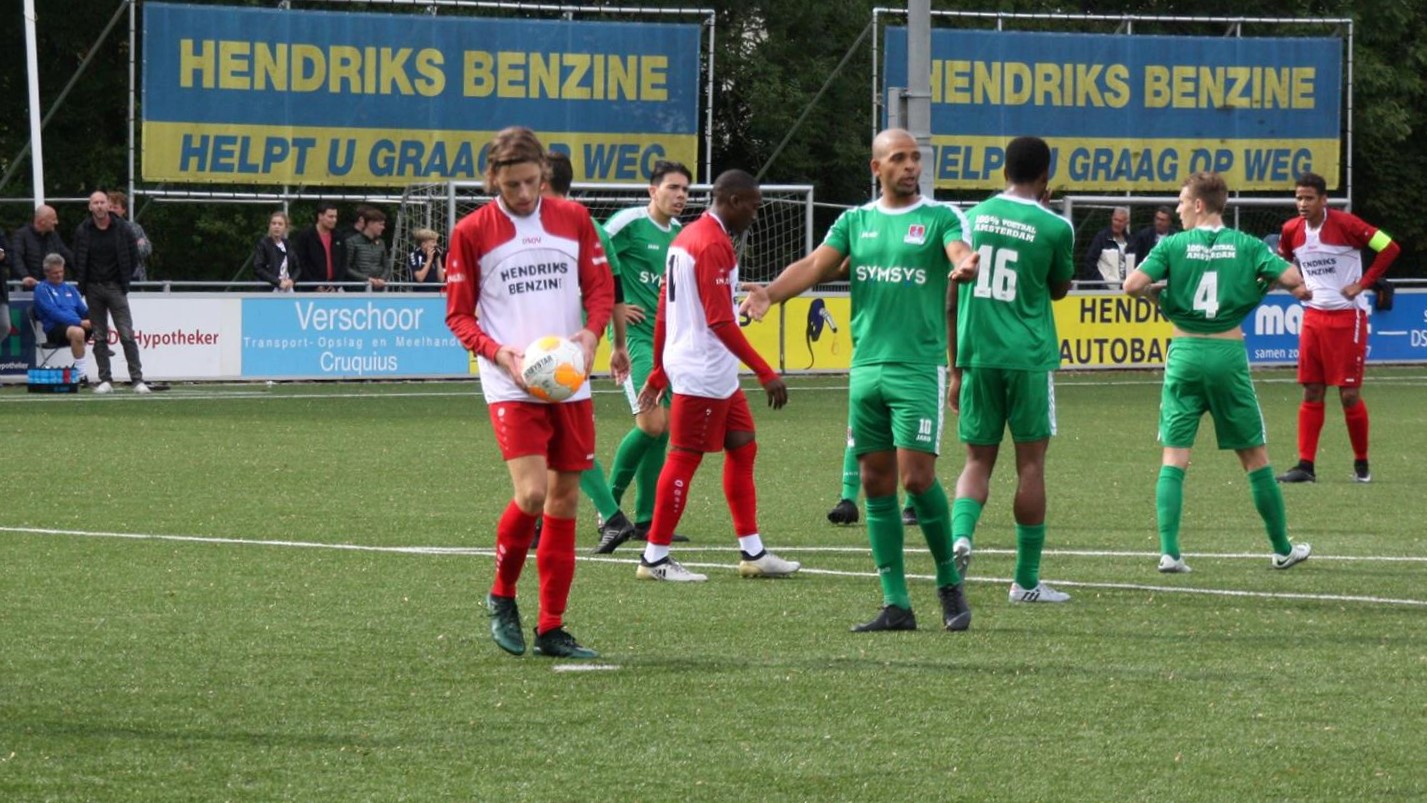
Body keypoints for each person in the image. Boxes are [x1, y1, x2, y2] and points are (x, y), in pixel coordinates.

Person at [742, 128, 977, 633]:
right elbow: (813, 265)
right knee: (875, 483)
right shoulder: (856, 221)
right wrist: (771, 295)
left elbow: (959, 250)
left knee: (916, 479)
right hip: (866, 369)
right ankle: (896, 603)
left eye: (915, 158)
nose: (911, 166)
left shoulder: (941, 217)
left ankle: (946, 581)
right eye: (899, 158)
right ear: (877, 168)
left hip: (917, 368)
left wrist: (964, 264)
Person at [444, 126, 613, 659]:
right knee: (533, 495)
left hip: (568, 381)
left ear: (544, 173)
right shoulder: (472, 232)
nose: (523, 195)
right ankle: (501, 595)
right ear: (491, 178)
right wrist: (501, 355)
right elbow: (458, 316)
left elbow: (601, 290)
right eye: (512, 184)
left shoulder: (574, 219)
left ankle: (552, 626)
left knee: (565, 501)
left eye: (532, 182)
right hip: (511, 382)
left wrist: (590, 333)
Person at [1123, 171, 1312, 573]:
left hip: (1185, 352)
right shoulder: (1244, 244)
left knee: (1174, 457)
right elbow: (1294, 279)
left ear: (1198, 204)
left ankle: (1170, 552)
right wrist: (1280, 285)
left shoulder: (1173, 245)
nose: (1175, 209)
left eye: (1180, 201)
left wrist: (1157, 293)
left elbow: (1131, 285)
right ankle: (1281, 549)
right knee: (1255, 458)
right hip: (1227, 354)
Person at [633, 169, 801, 582]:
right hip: (702, 371)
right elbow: (718, 323)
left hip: (711, 368)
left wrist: (658, 370)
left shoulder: (686, 238)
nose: (756, 216)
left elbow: (666, 311)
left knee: (743, 446)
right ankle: (654, 559)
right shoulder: (711, 244)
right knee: (684, 458)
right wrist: (766, 372)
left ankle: (753, 552)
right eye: (755, 207)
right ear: (735, 202)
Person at [949, 136, 1075, 603]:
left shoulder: (969, 219)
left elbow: (951, 293)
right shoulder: (1055, 226)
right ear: (1046, 175)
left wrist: (955, 368)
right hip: (1027, 357)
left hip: (977, 353)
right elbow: (1059, 288)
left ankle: (961, 539)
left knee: (976, 461)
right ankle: (1025, 581)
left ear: (1003, 171)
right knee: (1031, 465)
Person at [539, 151, 639, 552]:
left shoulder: (558, 226)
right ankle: (543, 520)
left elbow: (611, 289)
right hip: (577, 344)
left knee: (562, 438)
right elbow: (614, 290)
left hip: (557, 348)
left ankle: (612, 516)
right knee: (553, 436)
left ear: (542, 183)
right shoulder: (591, 224)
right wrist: (616, 344)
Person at [1275, 171, 1401, 484]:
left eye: (1308, 198)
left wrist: (1363, 284)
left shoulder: (1347, 224)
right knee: (1312, 389)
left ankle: (1361, 464)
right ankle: (1306, 466)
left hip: (1348, 318)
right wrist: (1295, 288)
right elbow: (1282, 264)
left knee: (1348, 395)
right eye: (1298, 197)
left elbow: (1390, 247)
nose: (1302, 203)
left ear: (1323, 199)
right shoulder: (1291, 230)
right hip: (1313, 318)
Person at [596, 160, 695, 551]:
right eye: (673, 188)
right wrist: (611, 310)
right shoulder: (628, 225)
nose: (681, 196)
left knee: (665, 428)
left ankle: (647, 519)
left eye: (686, 190)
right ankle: (608, 508)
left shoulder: (684, 236)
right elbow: (593, 260)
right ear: (653, 191)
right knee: (651, 423)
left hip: (669, 343)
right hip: (635, 338)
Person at [72, 190, 147, 394]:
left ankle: (137, 379)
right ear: (90, 206)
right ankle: (105, 379)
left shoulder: (123, 228)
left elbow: (133, 257)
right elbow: (77, 257)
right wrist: (84, 284)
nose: (99, 206)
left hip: (115, 287)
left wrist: (124, 281)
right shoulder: (83, 230)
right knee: (100, 335)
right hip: (93, 288)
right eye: (94, 202)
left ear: (108, 205)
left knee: (126, 333)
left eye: (102, 202)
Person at [31, 253, 91, 377]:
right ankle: (81, 375)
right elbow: (54, 313)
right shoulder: (42, 289)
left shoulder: (70, 289)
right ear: (46, 273)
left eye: (61, 271)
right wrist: (79, 322)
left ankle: (104, 353)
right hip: (55, 329)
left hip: (75, 325)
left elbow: (83, 310)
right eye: (55, 273)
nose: (59, 275)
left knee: (98, 318)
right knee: (78, 332)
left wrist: (95, 317)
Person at [11, 205, 73, 290]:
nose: (56, 222)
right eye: (53, 219)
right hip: (28, 289)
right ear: (42, 221)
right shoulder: (21, 235)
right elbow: (16, 257)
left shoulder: (54, 237)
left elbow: (67, 256)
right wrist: (25, 276)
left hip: (51, 288)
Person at [292, 202, 343, 292]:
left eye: (335, 217)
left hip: (333, 289)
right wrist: (314, 285)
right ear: (320, 216)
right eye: (330, 217)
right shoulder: (306, 236)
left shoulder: (339, 236)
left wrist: (336, 285)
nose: (334, 220)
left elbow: (343, 263)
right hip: (309, 289)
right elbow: (300, 263)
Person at [107, 192, 151, 284]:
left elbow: (147, 249)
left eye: (115, 207)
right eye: (109, 207)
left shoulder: (135, 228)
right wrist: (134, 245)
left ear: (124, 210)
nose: (111, 210)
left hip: (135, 279)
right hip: (110, 280)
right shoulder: (100, 228)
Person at [1081, 206, 1131, 284]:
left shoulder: (1131, 241)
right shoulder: (1101, 238)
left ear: (1126, 223)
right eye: (1115, 219)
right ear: (1112, 219)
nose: (1117, 223)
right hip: (1105, 290)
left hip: (1126, 289)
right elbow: (1090, 262)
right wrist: (1100, 283)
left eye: (1120, 221)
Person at [345, 207, 389, 291]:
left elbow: (386, 266)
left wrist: (382, 279)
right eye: (380, 224)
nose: (383, 227)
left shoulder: (381, 243)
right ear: (370, 224)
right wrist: (367, 279)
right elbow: (346, 268)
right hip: (358, 291)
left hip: (378, 291)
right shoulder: (351, 242)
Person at [253, 211, 298, 292]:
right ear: (269, 226)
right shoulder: (263, 244)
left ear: (286, 227)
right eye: (274, 223)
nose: (276, 226)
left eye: (280, 224)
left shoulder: (288, 244)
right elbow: (258, 267)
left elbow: (298, 267)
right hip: (269, 289)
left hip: (287, 289)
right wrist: (277, 282)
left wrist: (292, 280)